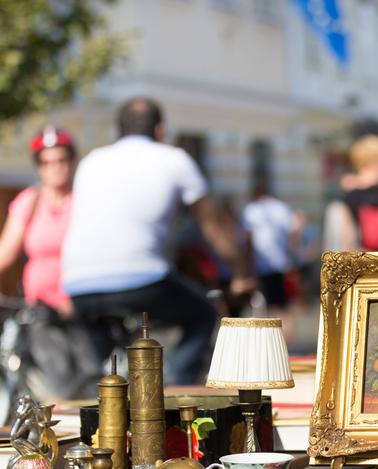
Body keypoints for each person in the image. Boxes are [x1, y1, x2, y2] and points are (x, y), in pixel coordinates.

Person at [61, 98, 255, 384]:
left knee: (106, 374)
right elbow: (212, 229)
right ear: (160, 130)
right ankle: (175, 389)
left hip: (78, 282)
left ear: (118, 130)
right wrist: (242, 272)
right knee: (203, 315)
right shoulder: (175, 159)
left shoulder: (91, 161)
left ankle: (101, 393)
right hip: (142, 278)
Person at [0, 127, 99, 399]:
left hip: (84, 311)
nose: (55, 168)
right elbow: (5, 252)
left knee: (96, 387)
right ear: (39, 166)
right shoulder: (28, 203)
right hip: (42, 314)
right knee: (57, 391)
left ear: (72, 161)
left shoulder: (85, 202)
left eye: (61, 160)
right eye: (47, 162)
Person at [241, 178, 302, 311]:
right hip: (282, 264)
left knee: (269, 307)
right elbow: (294, 233)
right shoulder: (281, 207)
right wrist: (294, 258)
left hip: (262, 265)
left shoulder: (251, 210)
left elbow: (248, 239)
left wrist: (247, 264)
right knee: (284, 307)